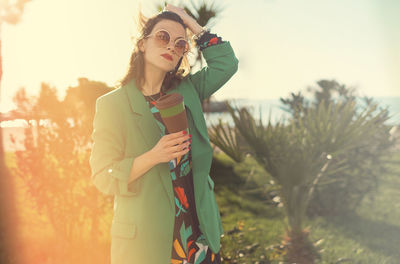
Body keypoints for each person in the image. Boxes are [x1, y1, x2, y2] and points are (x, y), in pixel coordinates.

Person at [89, 4, 238, 264]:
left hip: (200, 237)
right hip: (148, 244)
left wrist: (188, 21)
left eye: (180, 44)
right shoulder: (112, 105)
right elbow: (103, 176)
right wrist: (152, 156)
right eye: (162, 37)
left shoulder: (189, 90)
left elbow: (227, 63)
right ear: (142, 44)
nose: (171, 46)